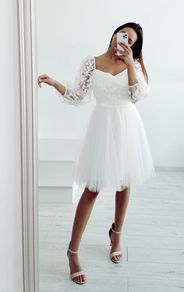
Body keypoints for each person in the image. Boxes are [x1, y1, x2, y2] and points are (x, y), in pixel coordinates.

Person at [37, 22, 156, 285]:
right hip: (102, 128)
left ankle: (117, 235)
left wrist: (129, 67)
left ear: (134, 46)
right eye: (121, 34)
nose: (122, 40)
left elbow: (137, 96)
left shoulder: (133, 66)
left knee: (125, 183)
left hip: (126, 126)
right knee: (91, 190)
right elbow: (78, 95)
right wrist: (55, 82)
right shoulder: (92, 62)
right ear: (114, 34)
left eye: (130, 39)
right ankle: (73, 251)